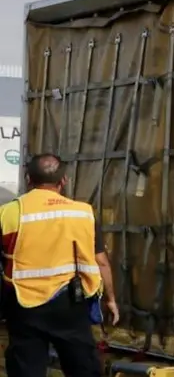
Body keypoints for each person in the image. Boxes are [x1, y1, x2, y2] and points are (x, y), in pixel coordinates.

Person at [1, 153, 119, 377]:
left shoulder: (8, 213)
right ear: (63, 181)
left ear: (28, 179)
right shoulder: (83, 213)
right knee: (83, 366)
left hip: (23, 305)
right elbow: (101, 261)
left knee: (26, 368)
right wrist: (111, 300)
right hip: (71, 304)